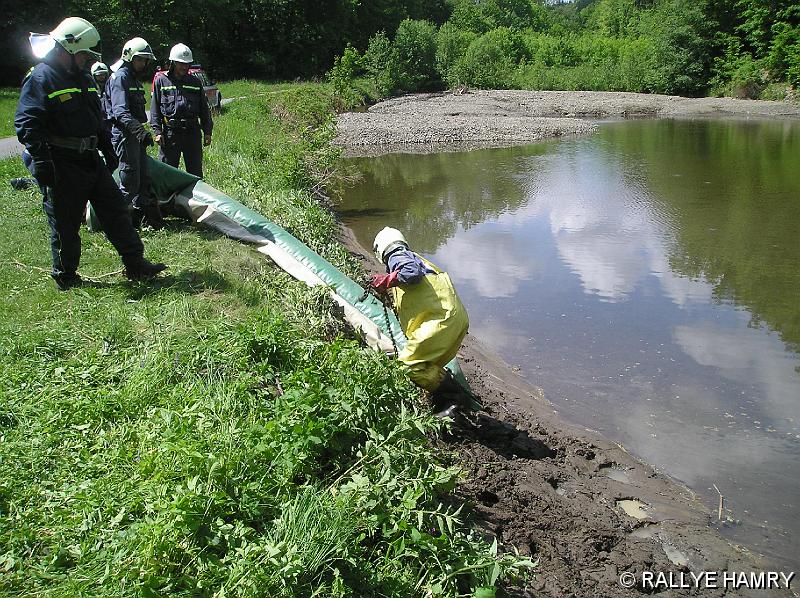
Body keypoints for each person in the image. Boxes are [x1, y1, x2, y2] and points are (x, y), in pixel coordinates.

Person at [14, 17, 167, 290]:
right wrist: (42, 160)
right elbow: (27, 124)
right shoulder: (40, 78)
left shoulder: (83, 78)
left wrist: (107, 148)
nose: (87, 59)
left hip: (90, 160)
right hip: (61, 162)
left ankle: (135, 263)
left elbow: (97, 117)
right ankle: (67, 277)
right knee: (65, 222)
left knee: (116, 210)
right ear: (68, 49)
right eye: (84, 53)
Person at [369, 227, 472, 415]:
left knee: (410, 365)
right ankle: (444, 404)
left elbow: (411, 273)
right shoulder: (415, 258)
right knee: (427, 366)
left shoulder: (396, 255)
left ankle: (454, 401)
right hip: (453, 319)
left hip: (440, 320)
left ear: (381, 249)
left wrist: (386, 280)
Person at [109, 37, 163, 229]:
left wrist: (140, 134)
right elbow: (120, 112)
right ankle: (116, 224)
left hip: (135, 135)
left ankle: (139, 220)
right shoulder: (120, 78)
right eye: (140, 59)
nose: (143, 63)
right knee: (129, 180)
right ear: (129, 56)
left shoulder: (134, 79)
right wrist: (140, 132)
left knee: (142, 179)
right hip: (125, 135)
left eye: (145, 60)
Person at [150, 43, 212, 178]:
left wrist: (207, 131)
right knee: (167, 172)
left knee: (195, 173)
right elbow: (154, 109)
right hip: (170, 134)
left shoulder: (195, 82)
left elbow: (204, 109)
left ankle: (193, 198)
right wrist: (157, 131)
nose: (184, 67)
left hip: (192, 133)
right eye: (180, 63)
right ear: (173, 62)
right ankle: (167, 199)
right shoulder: (161, 81)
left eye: (187, 64)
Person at [90, 61, 117, 172]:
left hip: (110, 126)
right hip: (97, 127)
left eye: (103, 74)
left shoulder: (112, 87)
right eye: (98, 75)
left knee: (113, 155)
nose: (101, 77)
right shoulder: (91, 89)